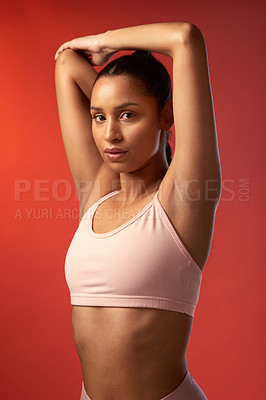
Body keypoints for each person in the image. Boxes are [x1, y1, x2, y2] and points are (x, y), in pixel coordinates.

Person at [54, 22, 221, 400]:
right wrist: (112, 85)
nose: (110, 133)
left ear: (166, 117)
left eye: (128, 115)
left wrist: (103, 44)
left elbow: (185, 38)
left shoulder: (183, 198)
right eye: (99, 117)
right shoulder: (97, 191)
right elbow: (65, 63)